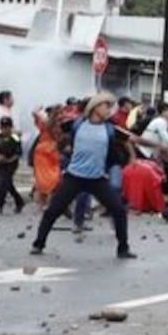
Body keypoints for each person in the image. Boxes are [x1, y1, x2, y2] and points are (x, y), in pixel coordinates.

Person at [31, 93, 135, 259]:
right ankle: (38, 244)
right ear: (95, 107)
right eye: (106, 106)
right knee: (53, 211)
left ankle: (123, 248)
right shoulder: (77, 123)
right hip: (74, 177)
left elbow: (133, 138)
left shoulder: (110, 128)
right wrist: (52, 120)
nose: (109, 110)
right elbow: (52, 129)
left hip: (97, 179)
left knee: (119, 210)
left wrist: (162, 147)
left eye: (110, 106)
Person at [0, 116, 25, 214]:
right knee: (8, 184)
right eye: (3, 127)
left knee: (4, 182)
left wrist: (8, 160)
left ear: (11, 127)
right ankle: (19, 201)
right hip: (0, 163)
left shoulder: (15, 137)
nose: (5, 129)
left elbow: (18, 153)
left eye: (7, 127)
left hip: (11, 163)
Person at [30, 107, 61, 207]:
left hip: (46, 153)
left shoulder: (46, 124)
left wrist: (38, 111)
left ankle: (44, 202)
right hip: (47, 153)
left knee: (45, 178)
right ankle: (46, 202)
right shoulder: (49, 124)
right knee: (50, 178)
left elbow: (34, 113)